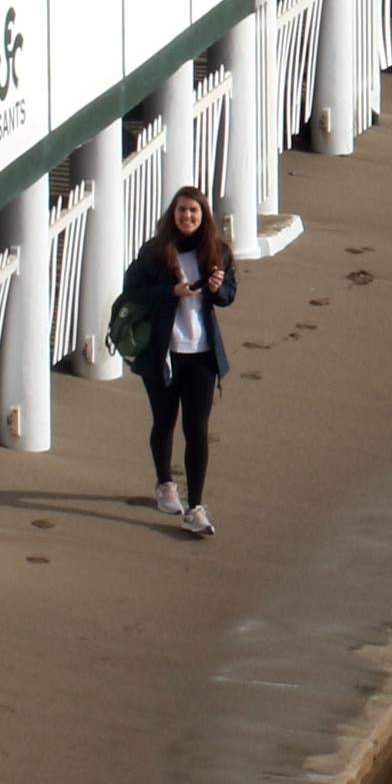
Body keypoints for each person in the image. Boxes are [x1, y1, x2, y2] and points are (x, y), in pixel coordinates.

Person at [109, 184, 237, 536]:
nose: (187, 216)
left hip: (202, 355)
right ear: (173, 214)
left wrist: (217, 288)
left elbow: (229, 295)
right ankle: (165, 482)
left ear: (204, 216)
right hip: (163, 354)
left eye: (194, 211)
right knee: (164, 422)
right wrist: (170, 292)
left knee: (197, 431)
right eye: (182, 210)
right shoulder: (154, 252)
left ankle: (195, 507)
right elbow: (132, 291)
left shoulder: (218, 252)